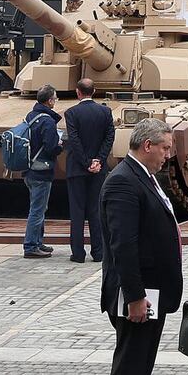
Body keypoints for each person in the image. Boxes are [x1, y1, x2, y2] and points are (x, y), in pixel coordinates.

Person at [100, 118, 182, 375]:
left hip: (152, 293)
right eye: (165, 148)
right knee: (131, 365)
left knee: (141, 363)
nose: (167, 156)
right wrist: (135, 297)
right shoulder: (123, 181)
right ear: (148, 145)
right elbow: (123, 245)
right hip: (139, 296)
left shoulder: (144, 176)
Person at [65, 78, 115, 263]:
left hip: (77, 169)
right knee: (95, 210)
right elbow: (109, 137)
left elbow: (74, 140)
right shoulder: (105, 111)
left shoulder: (71, 113)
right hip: (98, 169)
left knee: (77, 212)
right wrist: (99, 160)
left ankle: (78, 254)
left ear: (78, 92)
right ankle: (99, 252)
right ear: (94, 91)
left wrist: (86, 162)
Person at [22, 85, 63, 259]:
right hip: (42, 170)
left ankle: (38, 242)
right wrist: (60, 146)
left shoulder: (31, 115)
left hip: (30, 168)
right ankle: (31, 245)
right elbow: (50, 147)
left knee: (38, 207)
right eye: (55, 98)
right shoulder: (47, 121)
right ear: (50, 101)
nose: (55, 101)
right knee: (37, 210)